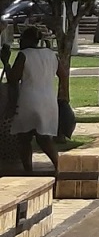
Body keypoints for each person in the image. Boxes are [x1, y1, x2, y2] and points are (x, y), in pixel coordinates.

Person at [6, 26, 66, 174]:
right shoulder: (51, 55)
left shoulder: (24, 55)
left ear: (27, 40)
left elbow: (13, 78)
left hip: (29, 100)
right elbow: (63, 75)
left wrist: (5, 62)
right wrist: (63, 94)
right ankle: (59, 166)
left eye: (21, 39)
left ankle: (29, 171)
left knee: (24, 138)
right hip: (49, 100)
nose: (20, 42)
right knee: (44, 137)